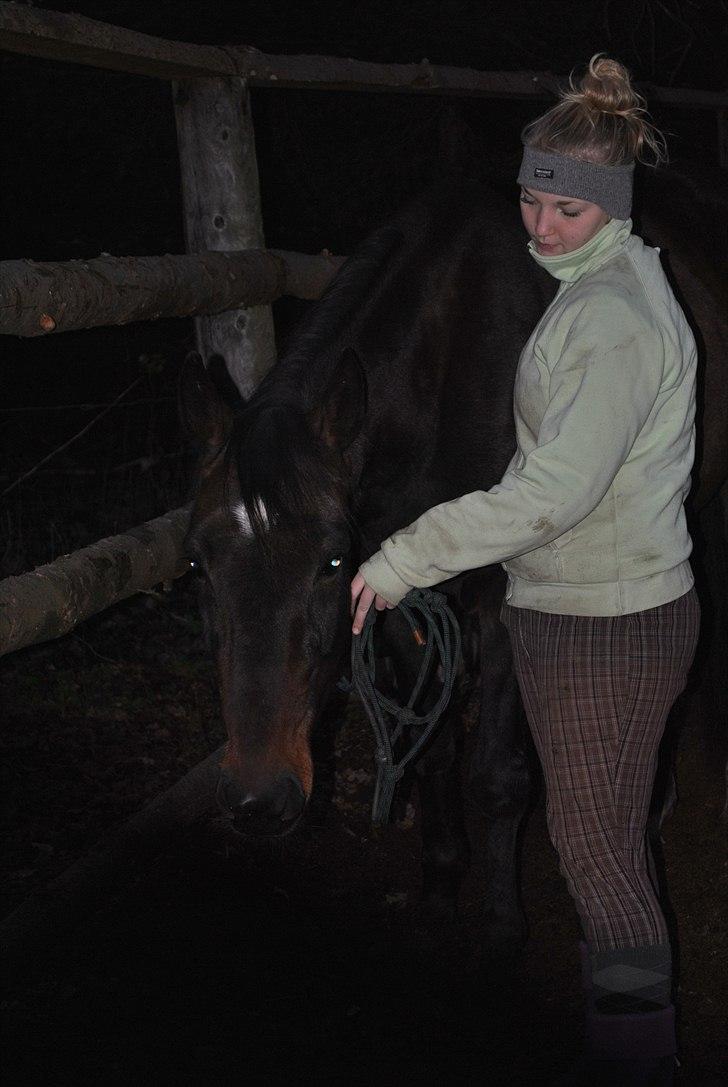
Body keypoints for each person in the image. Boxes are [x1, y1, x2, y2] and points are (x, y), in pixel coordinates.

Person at [350, 55, 699, 1086]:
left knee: (597, 862)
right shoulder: (599, 281)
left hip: (607, 621)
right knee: (596, 845)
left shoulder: (612, 319)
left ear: (610, 208)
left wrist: (407, 555)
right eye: (528, 201)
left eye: (564, 212)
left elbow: (550, 490)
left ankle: (638, 1057)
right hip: (582, 604)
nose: (540, 228)